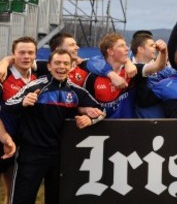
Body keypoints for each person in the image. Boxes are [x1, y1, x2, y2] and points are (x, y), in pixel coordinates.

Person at [5, 48, 105, 204]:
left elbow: (101, 111)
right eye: (57, 63)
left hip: (59, 155)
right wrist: (23, 102)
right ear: (49, 66)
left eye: (66, 63)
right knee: (21, 199)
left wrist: (89, 119)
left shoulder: (76, 91)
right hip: (31, 154)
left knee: (56, 199)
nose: (62, 67)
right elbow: (8, 105)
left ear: (71, 67)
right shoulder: (37, 85)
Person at [84, 33, 167, 118]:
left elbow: (158, 66)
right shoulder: (93, 77)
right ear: (110, 51)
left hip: (128, 127)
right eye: (121, 46)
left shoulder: (133, 70)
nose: (127, 48)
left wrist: (163, 51)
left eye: (126, 45)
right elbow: (87, 105)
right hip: (102, 127)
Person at [0, 37, 36, 204]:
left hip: (24, 143)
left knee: (13, 190)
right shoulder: (3, 77)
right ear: (13, 55)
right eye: (22, 52)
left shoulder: (38, 76)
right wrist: (4, 136)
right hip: (2, 138)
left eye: (30, 53)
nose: (26, 56)